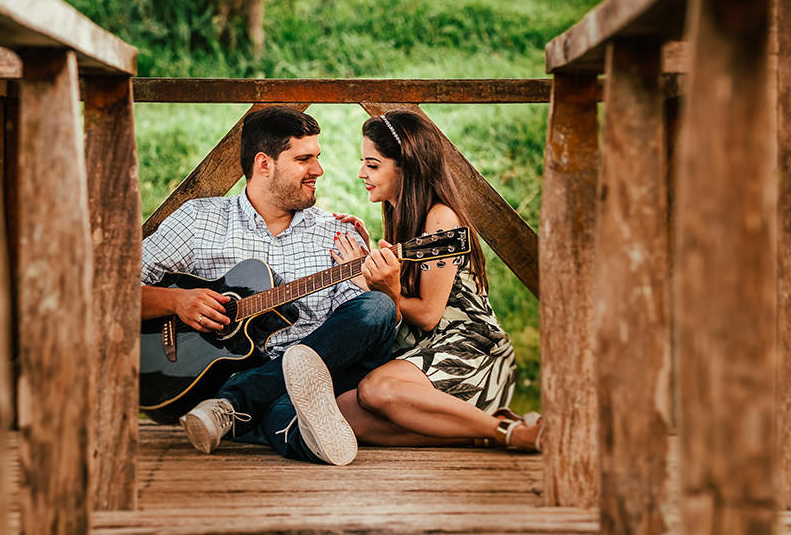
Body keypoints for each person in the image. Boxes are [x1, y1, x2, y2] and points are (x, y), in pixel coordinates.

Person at [140, 106, 398, 466]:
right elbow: (111, 288)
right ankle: (276, 421)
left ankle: (233, 408)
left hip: (314, 376)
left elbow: (359, 326)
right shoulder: (199, 220)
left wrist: (381, 285)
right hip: (224, 372)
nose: (318, 171)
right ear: (264, 164)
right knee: (283, 410)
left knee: (378, 308)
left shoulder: (337, 234)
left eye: (317, 158)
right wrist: (176, 301)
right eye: (304, 159)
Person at [330, 109, 542, 451]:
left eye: (372, 165)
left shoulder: (440, 217)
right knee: (344, 412)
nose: (361, 173)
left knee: (375, 390)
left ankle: (509, 432)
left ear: (407, 167)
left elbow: (429, 314)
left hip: (469, 348)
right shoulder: (403, 217)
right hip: (425, 349)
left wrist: (371, 283)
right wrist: (372, 257)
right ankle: (478, 432)